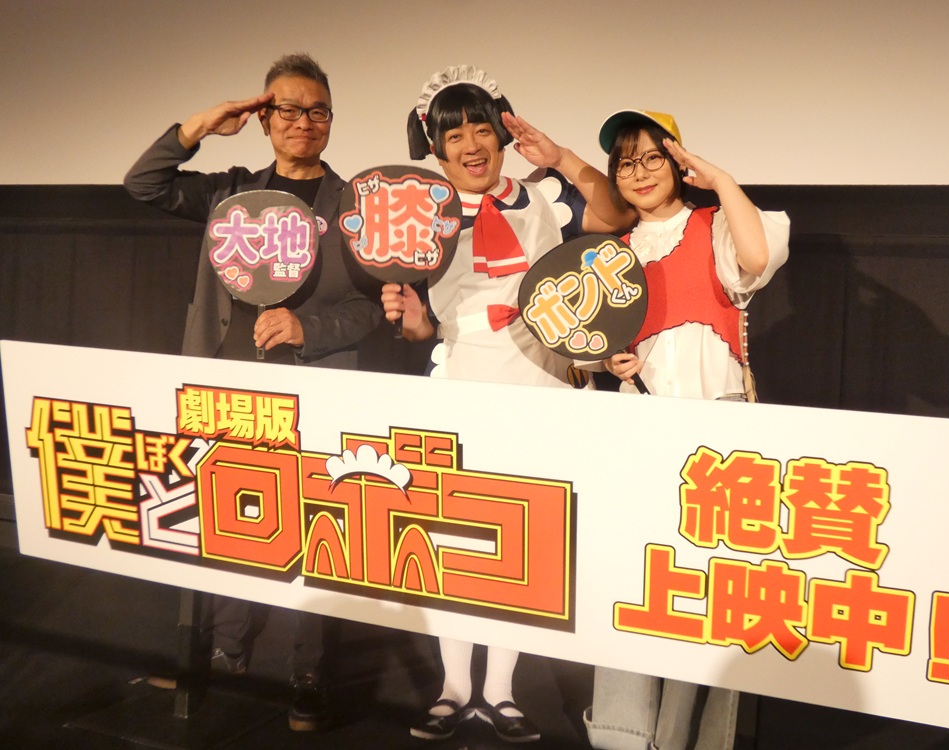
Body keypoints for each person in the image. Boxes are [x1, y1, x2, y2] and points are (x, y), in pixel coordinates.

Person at [123, 52, 383, 732]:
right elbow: (144, 184)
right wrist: (201, 126)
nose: (303, 122)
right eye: (287, 109)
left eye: (317, 110)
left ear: (331, 120)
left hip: (313, 388)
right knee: (223, 517)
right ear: (265, 118)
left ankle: (307, 673)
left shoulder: (354, 206)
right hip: (226, 383)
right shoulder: (231, 192)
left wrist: (307, 326)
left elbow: (369, 309)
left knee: (314, 529)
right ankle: (222, 650)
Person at [382, 65, 633, 743]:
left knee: (524, 537)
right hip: (463, 382)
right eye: (454, 134)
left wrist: (562, 157)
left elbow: (617, 216)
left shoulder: (544, 195)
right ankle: (453, 687)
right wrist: (411, 321)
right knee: (455, 538)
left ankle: (501, 689)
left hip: (543, 381)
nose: (471, 143)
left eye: (481, 128)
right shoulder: (422, 216)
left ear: (501, 132)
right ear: (435, 148)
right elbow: (423, 327)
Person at [582, 110, 789, 750]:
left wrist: (719, 179)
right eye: (626, 163)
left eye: (653, 157)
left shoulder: (717, 225)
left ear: (679, 163)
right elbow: (589, 342)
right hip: (638, 428)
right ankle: (621, 732)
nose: (639, 173)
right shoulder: (609, 254)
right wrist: (607, 361)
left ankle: (691, 739)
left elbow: (758, 258)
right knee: (633, 580)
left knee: (708, 594)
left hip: (716, 430)